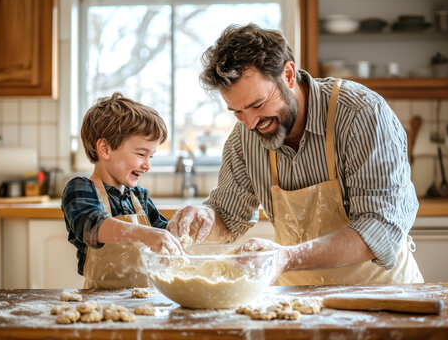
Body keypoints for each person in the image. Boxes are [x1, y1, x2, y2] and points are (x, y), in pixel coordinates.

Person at [167, 24, 423, 285]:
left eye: (258, 104)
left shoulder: (362, 114)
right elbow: (228, 217)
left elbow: (378, 228)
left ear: (288, 75)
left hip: (381, 295)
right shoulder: (244, 138)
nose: (251, 122)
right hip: (298, 301)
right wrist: (208, 217)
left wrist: (287, 257)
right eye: (237, 111)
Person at [62, 92, 183, 289]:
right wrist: (144, 234)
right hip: (99, 302)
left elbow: (163, 232)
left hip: (145, 300)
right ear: (106, 149)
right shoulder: (81, 189)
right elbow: (92, 226)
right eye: (141, 154)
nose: (147, 165)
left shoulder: (139, 197)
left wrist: (183, 229)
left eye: (150, 156)